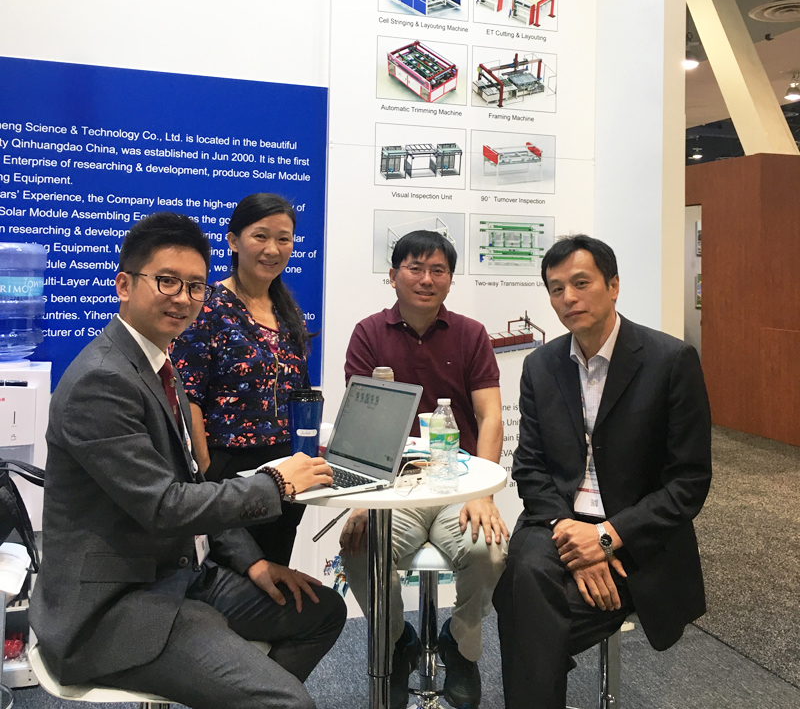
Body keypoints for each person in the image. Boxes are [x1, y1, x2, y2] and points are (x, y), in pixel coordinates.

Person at [30, 212, 346, 709]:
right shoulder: (102, 380)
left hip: (184, 577)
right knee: (287, 702)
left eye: (196, 286)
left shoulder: (160, 365)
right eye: (167, 281)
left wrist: (254, 562)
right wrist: (276, 483)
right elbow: (165, 506)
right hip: (120, 607)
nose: (182, 297)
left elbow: (194, 482)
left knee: (322, 610)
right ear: (124, 285)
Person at [493, 235, 712, 709]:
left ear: (613, 286)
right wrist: (572, 534)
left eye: (580, 283)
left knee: (519, 603)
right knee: (527, 572)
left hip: (637, 533)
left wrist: (607, 538)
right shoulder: (540, 365)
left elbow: (689, 482)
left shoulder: (670, 361)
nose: (568, 298)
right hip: (555, 521)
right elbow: (529, 465)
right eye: (556, 289)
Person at [339, 230, 507, 709]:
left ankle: (461, 645)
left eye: (438, 270)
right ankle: (398, 643)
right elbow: (362, 424)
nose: (426, 279)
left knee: (490, 550)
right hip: (395, 488)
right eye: (415, 268)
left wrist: (482, 494)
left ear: (450, 279)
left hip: (458, 484)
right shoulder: (369, 333)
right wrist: (363, 502)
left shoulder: (471, 334)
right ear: (393, 275)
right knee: (359, 548)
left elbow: (491, 417)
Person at [173, 193, 311, 566]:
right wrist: (203, 471)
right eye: (260, 236)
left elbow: (298, 391)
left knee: (276, 573)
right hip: (229, 472)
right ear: (234, 241)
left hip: (285, 471)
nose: (272, 249)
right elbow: (187, 394)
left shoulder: (287, 311)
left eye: (283, 239)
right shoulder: (208, 305)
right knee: (232, 579)